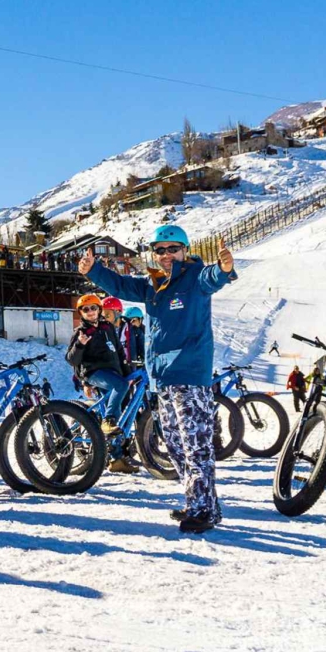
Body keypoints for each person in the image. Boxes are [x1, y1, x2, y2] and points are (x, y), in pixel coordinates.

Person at [80, 225, 237, 533]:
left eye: (173, 249)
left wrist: (224, 268)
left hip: (189, 373)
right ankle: (199, 502)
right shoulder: (153, 283)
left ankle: (203, 510)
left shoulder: (195, 277)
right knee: (175, 444)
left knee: (195, 445)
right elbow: (121, 286)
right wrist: (93, 271)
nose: (166, 255)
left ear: (185, 250)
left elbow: (213, 278)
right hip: (162, 376)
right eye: (160, 250)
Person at [66, 294, 128, 431]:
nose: (90, 312)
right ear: (81, 312)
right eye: (85, 309)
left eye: (93, 308)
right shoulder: (81, 332)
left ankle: (112, 440)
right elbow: (72, 360)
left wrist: (127, 373)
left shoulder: (108, 327)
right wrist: (79, 345)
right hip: (94, 373)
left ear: (99, 309)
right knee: (120, 385)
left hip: (112, 372)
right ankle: (108, 420)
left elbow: (119, 351)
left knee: (115, 405)